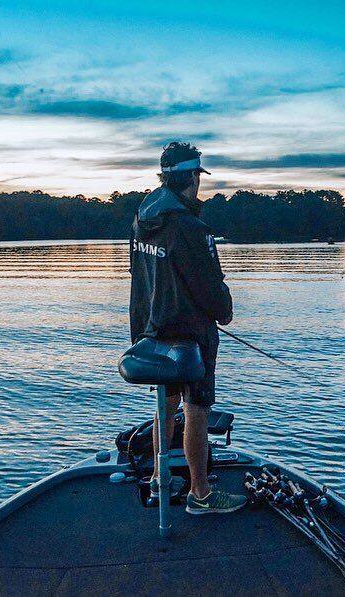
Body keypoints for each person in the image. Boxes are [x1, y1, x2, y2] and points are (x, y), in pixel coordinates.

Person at [128, 141, 246, 515]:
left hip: (152, 330)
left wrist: (144, 329)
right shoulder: (190, 226)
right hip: (190, 336)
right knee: (197, 406)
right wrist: (224, 312)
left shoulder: (143, 219)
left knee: (167, 402)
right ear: (193, 177)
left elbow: (141, 278)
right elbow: (210, 288)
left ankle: (158, 479)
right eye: (198, 176)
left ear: (165, 177)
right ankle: (201, 494)